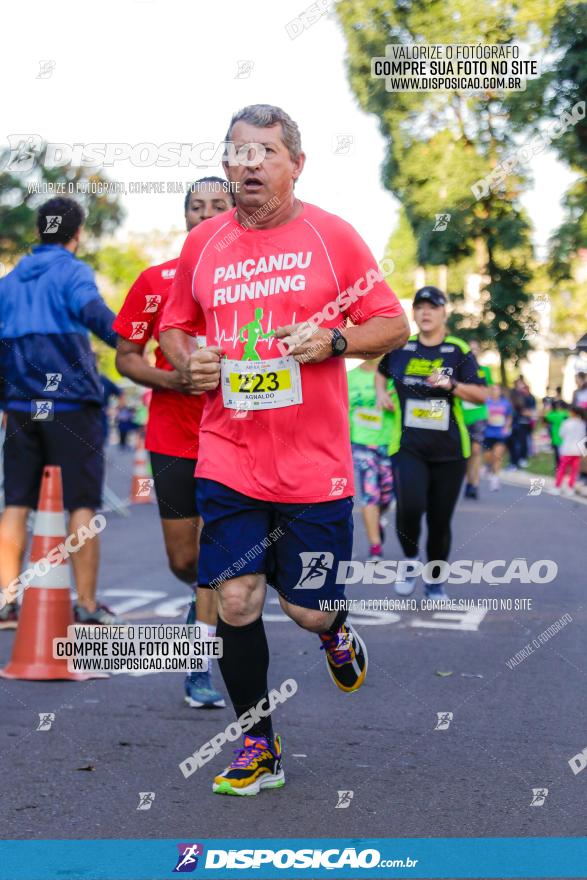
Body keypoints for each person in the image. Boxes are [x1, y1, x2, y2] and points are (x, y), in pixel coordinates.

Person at [159, 103, 409, 796]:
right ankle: (257, 747)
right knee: (235, 600)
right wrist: (190, 363)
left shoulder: (332, 236)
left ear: (295, 164)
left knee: (304, 607)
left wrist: (334, 341)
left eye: (265, 152)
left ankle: (333, 630)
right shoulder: (203, 243)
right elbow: (175, 328)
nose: (249, 165)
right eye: (238, 152)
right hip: (227, 451)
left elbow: (388, 323)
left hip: (313, 465)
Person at [114, 178, 234, 709]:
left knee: (215, 556)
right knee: (185, 561)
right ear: (183, 214)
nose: (206, 214)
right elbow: (127, 356)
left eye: (218, 205)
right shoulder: (155, 280)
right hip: (173, 434)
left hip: (237, 434)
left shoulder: (252, 279)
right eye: (196, 206)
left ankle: (200, 665)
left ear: (236, 211)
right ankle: (200, 602)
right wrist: (175, 381)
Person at [0, 197, 121, 626]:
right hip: (71, 404)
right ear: (78, 233)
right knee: (82, 503)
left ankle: (6, 601)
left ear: (40, 230)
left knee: (16, 501)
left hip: (21, 406)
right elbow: (98, 317)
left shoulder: (9, 282)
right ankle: (86, 605)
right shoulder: (73, 272)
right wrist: (129, 340)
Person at [376, 286, 488, 600]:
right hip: (408, 446)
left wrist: (451, 384)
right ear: (414, 313)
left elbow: (481, 394)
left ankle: (435, 581)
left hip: (451, 451)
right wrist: (381, 392)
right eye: (420, 306)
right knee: (410, 507)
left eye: (433, 307)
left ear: (443, 313)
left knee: (439, 520)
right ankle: (411, 562)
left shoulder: (457, 350)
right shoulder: (400, 348)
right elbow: (382, 373)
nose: (425, 312)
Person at [347, 359, 400, 561]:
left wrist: (392, 404)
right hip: (361, 443)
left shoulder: (393, 376)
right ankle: (375, 546)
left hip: (390, 443)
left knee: (387, 496)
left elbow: (406, 408)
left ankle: (377, 518)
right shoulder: (349, 377)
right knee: (370, 494)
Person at [462, 339, 492, 499]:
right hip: (463, 415)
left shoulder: (484, 370)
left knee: (475, 450)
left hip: (479, 415)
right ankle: (468, 481)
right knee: (466, 453)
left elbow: (488, 392)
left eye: (475, 349)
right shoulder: (459, 369)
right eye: (470, 349)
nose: (473, 352)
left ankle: (475, 483)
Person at [483, 385, 513, 491]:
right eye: (493, 389)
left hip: (500, 433)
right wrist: (487, 418)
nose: (495, 391)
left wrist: (506, 427)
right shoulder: (486, 401)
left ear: (500, 391)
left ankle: (495, 480)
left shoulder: (505, 403)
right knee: (488, 456)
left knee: (497, 456)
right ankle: (488, 466)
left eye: (497, 389)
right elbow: (482, 415)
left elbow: (509, 416)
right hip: (488, 433)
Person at [551, 407, 587, 495]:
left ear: (572, 412)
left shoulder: (566, 423)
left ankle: (557, 487)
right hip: (577, 451)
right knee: (574, 471)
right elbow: (583, 437)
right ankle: (570, 488)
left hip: (567, 450)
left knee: (562, 469)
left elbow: (561, 434)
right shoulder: (582, 423)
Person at [508, 377, 536, 468]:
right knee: (513, 443)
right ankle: (513, 462)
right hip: (514, 422)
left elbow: (530, 410)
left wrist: (528, 413)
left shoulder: (527, 395)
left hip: (524, 423)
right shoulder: (513, 394)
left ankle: (522, 459)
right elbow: (514, 408)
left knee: (523, 442)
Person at [543, 399, 568, 470]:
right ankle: (564, 467)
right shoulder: (567, 413)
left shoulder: (553, 415)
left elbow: (545, 419)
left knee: (557, 454)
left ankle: (559, 467)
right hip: (566, 438)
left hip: (556, 437)